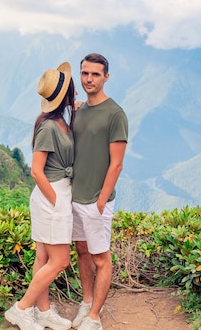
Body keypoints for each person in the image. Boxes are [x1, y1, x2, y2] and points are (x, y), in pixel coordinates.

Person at [5, 62, 76, 330]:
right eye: (73, 89)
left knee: (43, 258)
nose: (77, 91)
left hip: (57, 193)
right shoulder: (48, 127)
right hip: (52, 195)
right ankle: (22, 309)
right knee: (60, 261)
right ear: (65, 94)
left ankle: (44, 312)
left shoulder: (61, 121)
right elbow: (36, 171)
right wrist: (57, 202)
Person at [71, 53, 128, 330]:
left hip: (96, 200)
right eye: (84, 73)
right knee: (82, 250)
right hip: (75, 197)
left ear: (106, 77)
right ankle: (86, 302)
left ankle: (94, 318)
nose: (89, 79)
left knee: (101, 258)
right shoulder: (80, 110)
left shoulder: (115, 114)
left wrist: (102, 200)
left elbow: (116, 163)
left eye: (95, 74)